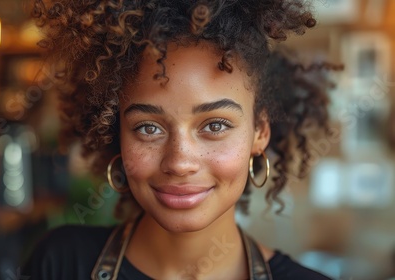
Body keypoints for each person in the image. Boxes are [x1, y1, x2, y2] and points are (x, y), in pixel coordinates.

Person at [23, 0, 341, 279]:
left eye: (214, 125)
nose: (179, 162)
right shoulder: (60, 263)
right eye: (148, 128)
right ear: (116, 132)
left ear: (260, 131)